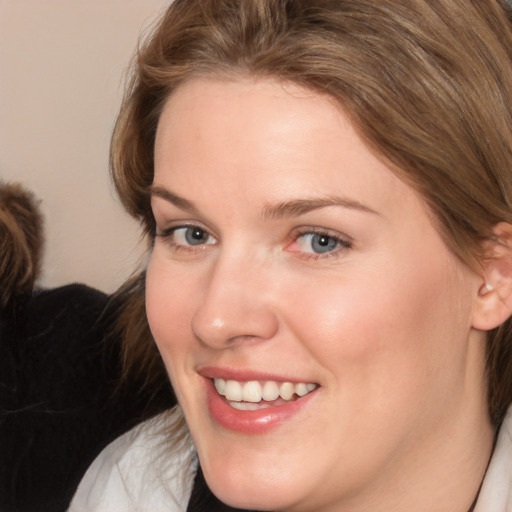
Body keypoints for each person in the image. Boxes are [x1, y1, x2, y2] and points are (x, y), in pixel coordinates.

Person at [69, 0, 512, 510]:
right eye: (191, 234)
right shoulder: (135, 489)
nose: (215, 319)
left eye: (319, 241)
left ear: (492, 275)